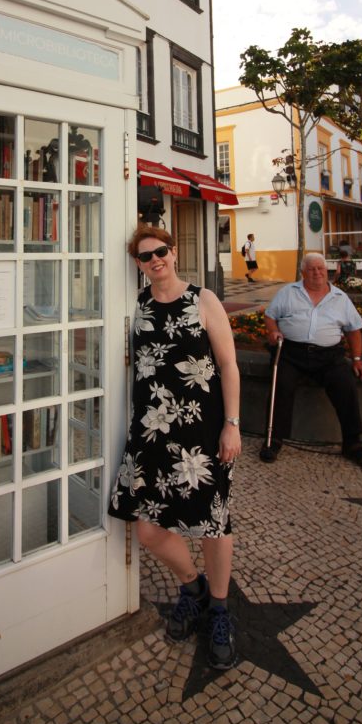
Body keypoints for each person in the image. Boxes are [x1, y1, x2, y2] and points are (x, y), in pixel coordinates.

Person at [109, 225, 241, 670]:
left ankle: (219, 610)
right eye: (145, 257)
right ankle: (193, 587)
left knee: (212, 524)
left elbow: (228, 364)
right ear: (139, 266)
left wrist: (232, 424)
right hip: (152, 433)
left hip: (202, 433)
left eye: (160, 251)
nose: (155, 260)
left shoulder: (203, 300)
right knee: (148, 529)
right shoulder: (138, 304)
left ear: (173, 251)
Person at [260, 252, 362, 470]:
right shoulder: (288, 292)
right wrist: (273, 331)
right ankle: (274, 440)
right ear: (303, 273)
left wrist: (358, 359)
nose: (317, 273)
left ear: (327, 271)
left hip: (329, 356)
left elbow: (354, 330)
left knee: (346, 385)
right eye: (312, 269)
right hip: (291, 353)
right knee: (281, 385)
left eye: (321, 269)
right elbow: (270, 315)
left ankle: (353, 444)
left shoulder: (340, 298)